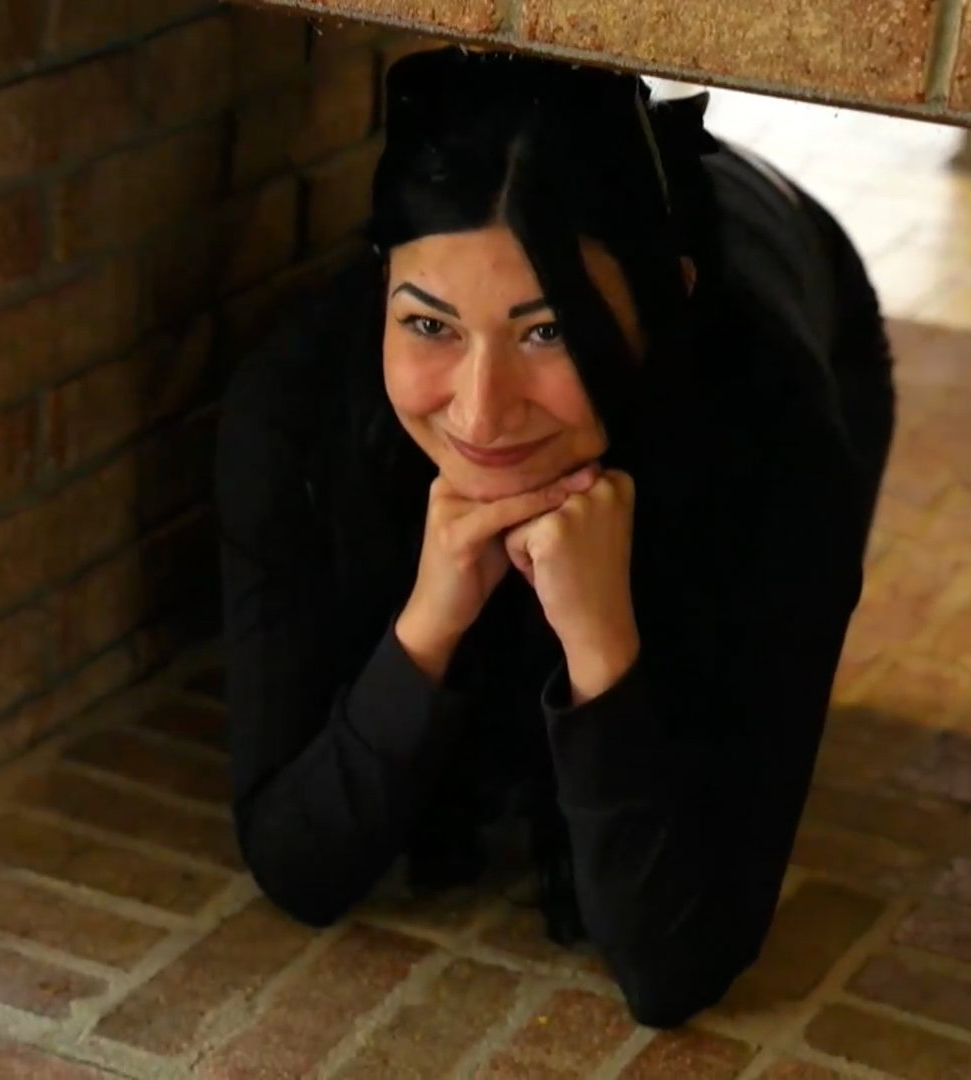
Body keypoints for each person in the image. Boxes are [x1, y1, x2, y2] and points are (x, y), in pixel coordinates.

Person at [213, 46, 895, 1029]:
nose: (481, 413)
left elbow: (676, 965)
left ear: (655, 305)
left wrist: (602, 645)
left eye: (548, 331)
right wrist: (429, 624)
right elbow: (296, 864)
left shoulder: (781, 446)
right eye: (430, 325)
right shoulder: (294, 415)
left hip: (792, 268)